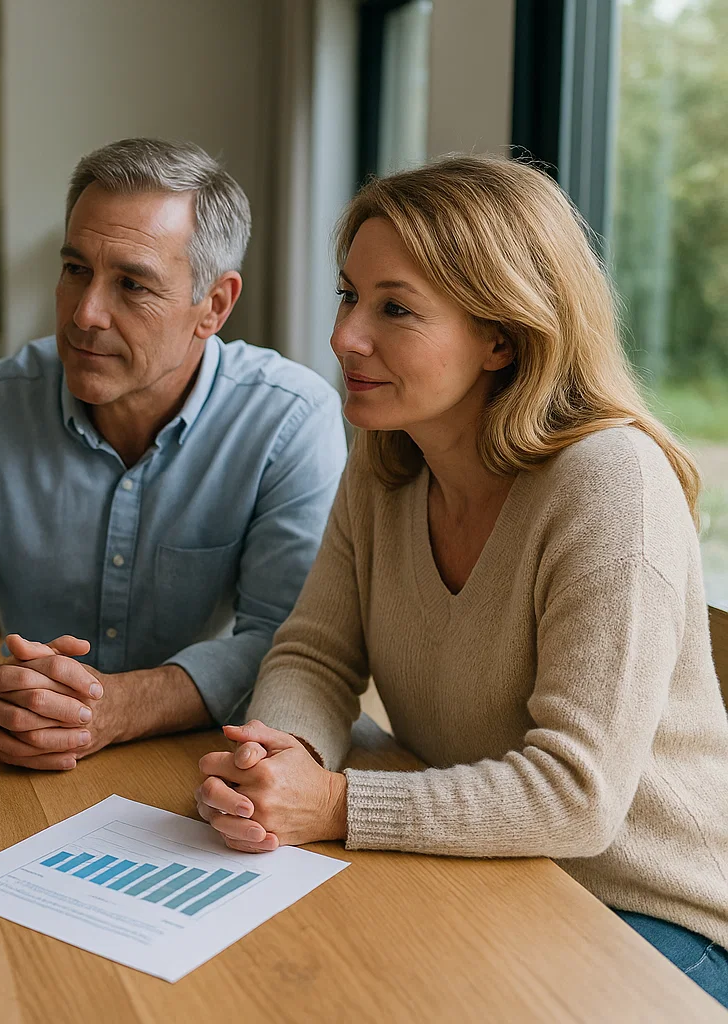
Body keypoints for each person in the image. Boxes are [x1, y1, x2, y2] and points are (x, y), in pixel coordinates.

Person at [194, 155, 728, 1006]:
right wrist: (281, 757)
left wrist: (333, 804)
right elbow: (316, 654)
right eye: (348, 296)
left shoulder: (613, 484)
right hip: (487, 872)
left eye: (395, 308)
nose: (345, 337)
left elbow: (578, 797)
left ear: (501, 337)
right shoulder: (386, 460)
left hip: (647, 916)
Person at [0, 138, 345, 771]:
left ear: (214, 306)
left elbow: (288, 643)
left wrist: (123, 705)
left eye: (132, 285)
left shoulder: (288, 418)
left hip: (203, 756)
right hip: (18, 751)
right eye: (75, 269)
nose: (86, 314)